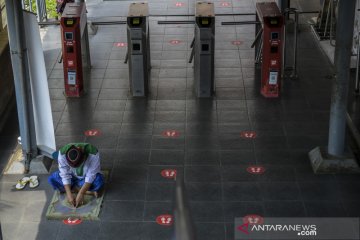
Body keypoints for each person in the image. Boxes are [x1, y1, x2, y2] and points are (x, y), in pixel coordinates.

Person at [48, 143, 104, 208]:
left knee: (99, 180)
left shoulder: (93, 153)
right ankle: (85, 191)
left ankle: (76, 189)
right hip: (72, 176)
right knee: (52, 179)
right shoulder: (62, 153)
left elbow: (91, 176)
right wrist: (69, 194)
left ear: (84, 157)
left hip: (84, 178)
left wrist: (81, 193)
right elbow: (64, 174)